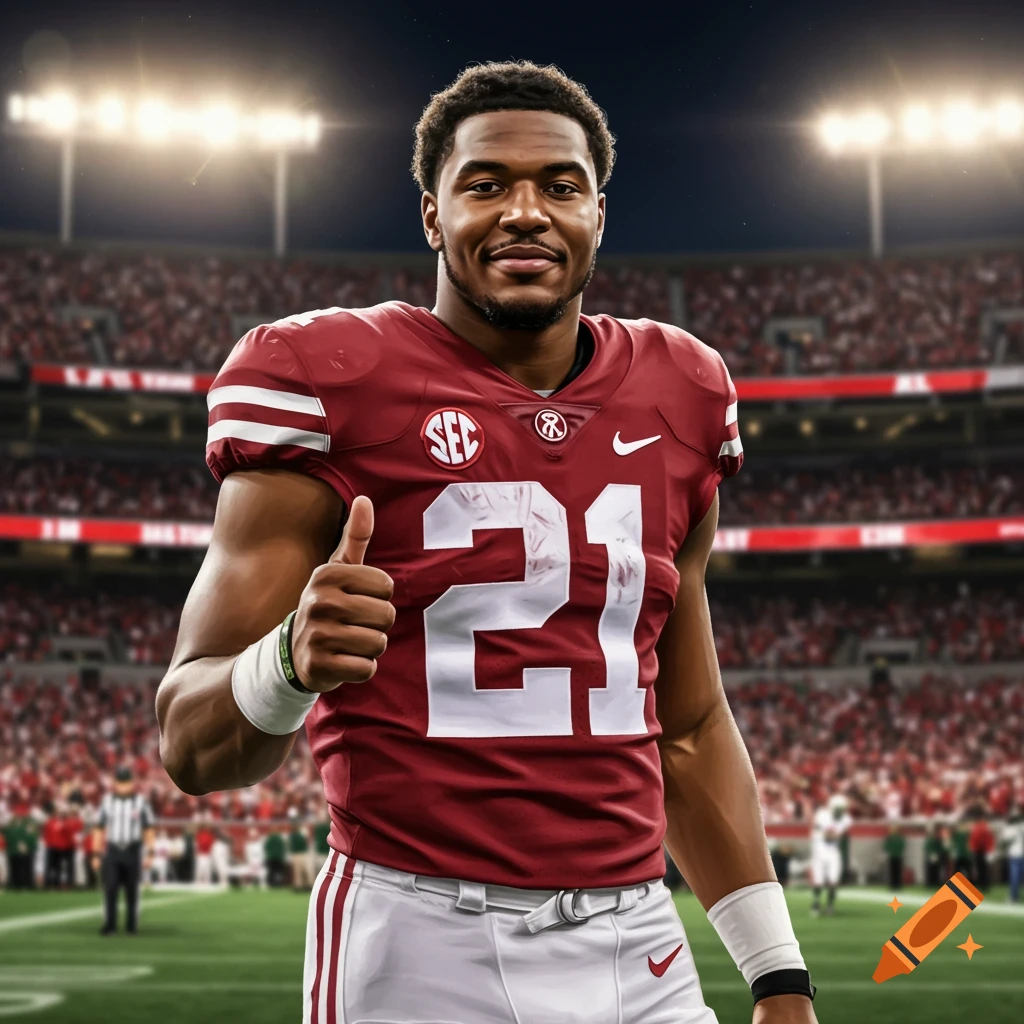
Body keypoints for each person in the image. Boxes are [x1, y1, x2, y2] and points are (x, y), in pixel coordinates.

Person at [157, 61, 816, 1023]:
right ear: (432, 215)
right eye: (485, 183)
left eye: (559, 185)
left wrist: (778, 975)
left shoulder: (683, 391)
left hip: (639, 940)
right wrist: (287, 663)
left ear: (599, 213)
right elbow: (190, 744)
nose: (524, 211)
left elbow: (689, 725)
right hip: (420, 938)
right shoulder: (323, 376)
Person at [93, 766, 154, 935]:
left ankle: (131, 925)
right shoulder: (107, 801)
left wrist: (150, 852)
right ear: (115, 783)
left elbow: (148, 829)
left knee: (132, 890)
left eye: (126, 782)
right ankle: (110, 924)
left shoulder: (140, 802)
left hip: (132, 849)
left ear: (132, 783)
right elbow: (98, 828)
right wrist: (96, 853)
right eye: (120, 783)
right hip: (113, 850)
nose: (123, 786)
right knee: (110, 888)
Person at [810, 795, 850, 916]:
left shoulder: (846, 819)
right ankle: (816, 903)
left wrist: (829, 833)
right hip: (819, 851)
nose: (840, 811)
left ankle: (830, 905)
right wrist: (828, 833)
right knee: (818, 880)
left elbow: (833, 835)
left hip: (833, 852)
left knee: (833, 880)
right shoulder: (822, 815)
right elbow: (826, 835)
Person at [1001, 806, 1024, 902]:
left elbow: (1004, 840)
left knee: (1014, 877)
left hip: (1015, 854)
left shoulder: (1010, 828)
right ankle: (1014, 896)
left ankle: (1014, 897)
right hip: (1021, 854)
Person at [287, 811, 313, 891]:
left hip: (303, 852)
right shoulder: (292, 833)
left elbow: (307, 841)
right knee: (297, 872)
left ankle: (308, 885)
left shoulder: (302, 831)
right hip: (296, 853)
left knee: (306, 870)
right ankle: (298, 886)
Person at [968, 815, 995, 892]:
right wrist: (990, 849)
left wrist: (972, 848)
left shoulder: (976, 827)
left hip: (978, 850)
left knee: (978, 869)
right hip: (984, 850)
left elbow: (973, 839)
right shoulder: (985, 827)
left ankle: (979, 885)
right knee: (984, 869)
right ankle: (985, 886)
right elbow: (990, 839)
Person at [924, 824, 946, 888]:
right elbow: (928, 848)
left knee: (936, 870)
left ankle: (935, 882)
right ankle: (930, 883)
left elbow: (941, 848)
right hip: (932, 855)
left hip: (937, 855)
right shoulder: (931, 839)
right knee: (931, 869)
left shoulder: (938, 839)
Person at [883, 824, 905, 890]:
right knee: (893, 872)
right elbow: (886, 846)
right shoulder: (890, 837)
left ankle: (896, 885)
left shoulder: (899, 837)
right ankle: (893, 885)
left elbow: (902, 846)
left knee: (896, 871)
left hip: (897, 856)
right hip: (893, 856)